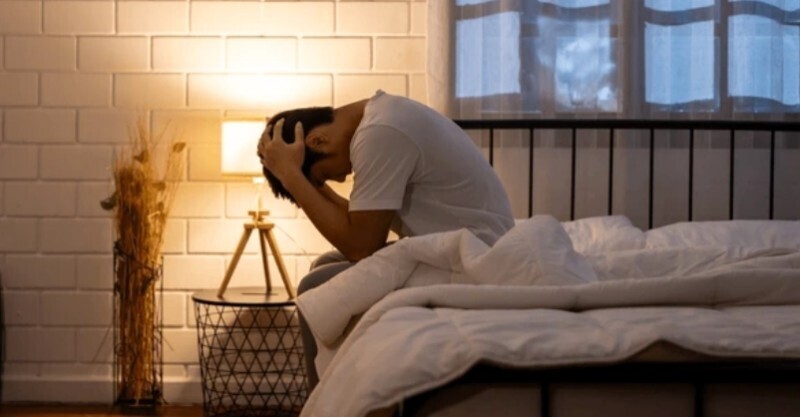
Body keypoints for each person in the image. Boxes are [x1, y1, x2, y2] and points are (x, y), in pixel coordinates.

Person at [258, 90, 514, 388]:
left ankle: (322, 399)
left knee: (314, 285)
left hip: (475, 259)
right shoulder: (383, 118)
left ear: (317, 141)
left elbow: (362, 246)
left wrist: (293, 176)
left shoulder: (380, 134)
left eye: (325, 176)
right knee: (327, 263)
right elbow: (358, 227)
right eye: (325, 180)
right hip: (455, 248)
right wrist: (293, 176)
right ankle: (346, 386)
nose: (339, 180)